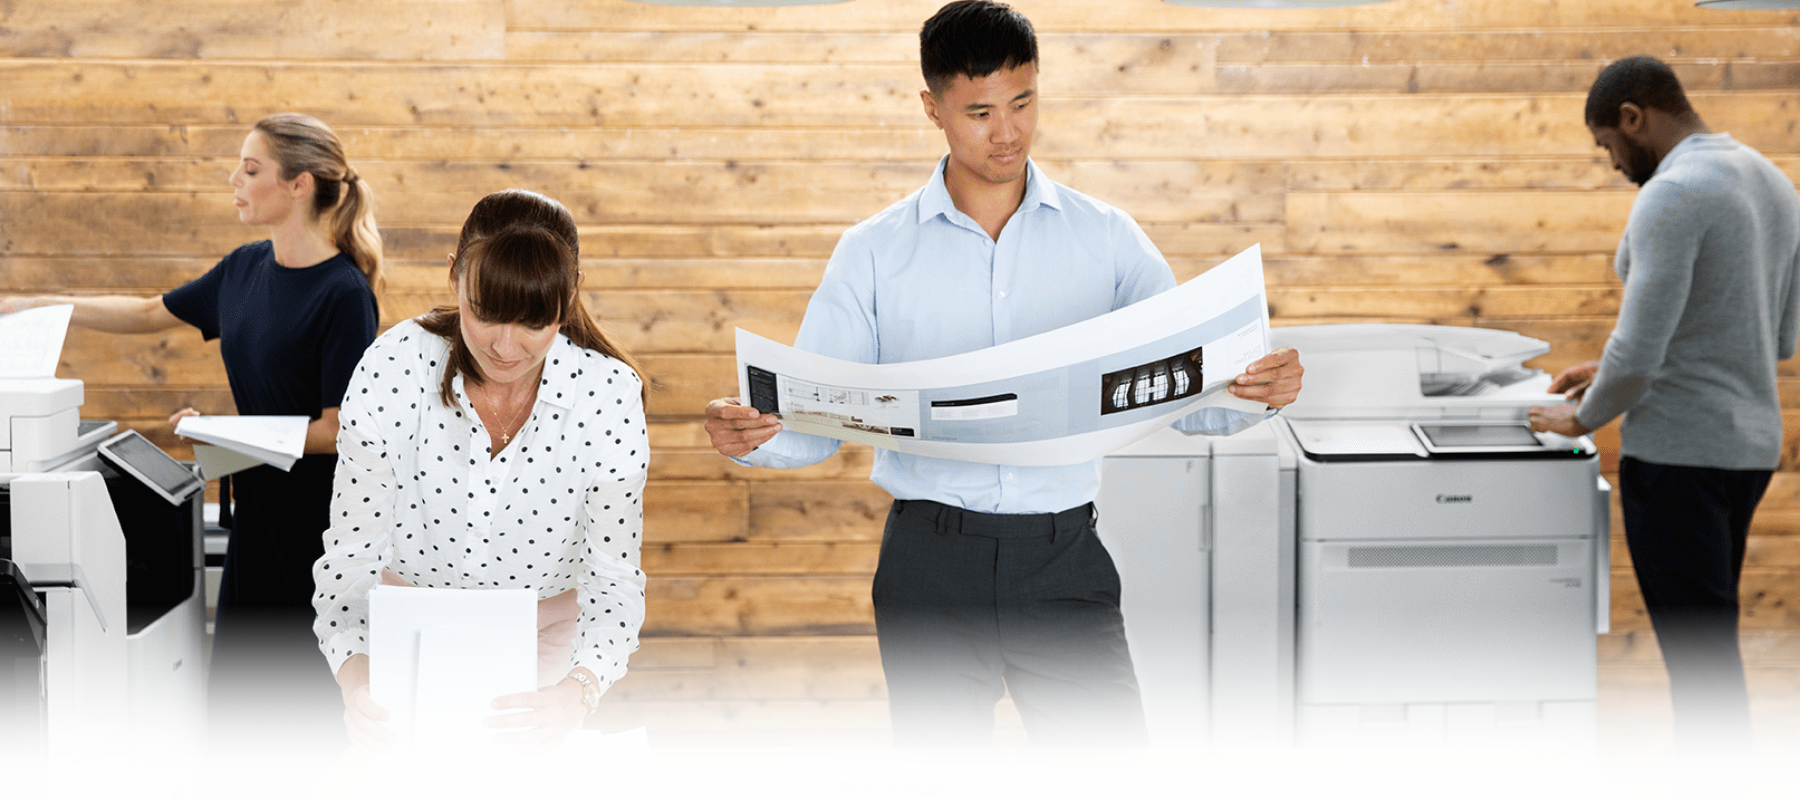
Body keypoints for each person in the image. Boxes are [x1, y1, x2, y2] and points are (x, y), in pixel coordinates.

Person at [701, 0, 1302, 746]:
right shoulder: (873, 253)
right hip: (929, 565)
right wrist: (755, 435)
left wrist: (1254, 396)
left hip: (1063, 559)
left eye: (1023, 102)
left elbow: (1181, 394)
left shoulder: (1108, 241)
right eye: (981, 111)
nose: (1007, 131)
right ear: (934, 109)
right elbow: (821, 423)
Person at [0, 113, 382, 740]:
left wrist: (235, 432)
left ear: (299, 185)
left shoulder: (344, 293)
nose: (235, 179)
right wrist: (45, 307)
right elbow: (150, 311)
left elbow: (340, 430)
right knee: (238, 706)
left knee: (304, 714)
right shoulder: (243, 269)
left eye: (251, 169)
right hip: (255, 522)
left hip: (318, 533)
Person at [312, 189, 649, 754]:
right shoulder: (394, 366)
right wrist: (356, 679)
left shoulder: (606, 394)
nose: (506, 347)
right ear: (454, 277)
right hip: (402, 632)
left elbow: (613, 580)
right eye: (486, 314)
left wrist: (578, 690)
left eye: (533, 323)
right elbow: (350, 557)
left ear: (568, 298)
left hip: (546, 642)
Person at [1529, 56, 1800, 747]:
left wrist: (1580, 417)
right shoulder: (1773, 182)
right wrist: (1611, 369)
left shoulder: (1674, 192)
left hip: (1678, 456)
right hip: (1747, 449)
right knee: (1709, 642)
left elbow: (1643, 349)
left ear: (1632, 117)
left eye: (1607, 146)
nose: (1613, 163)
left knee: (1701, 662)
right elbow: (1777, 336)